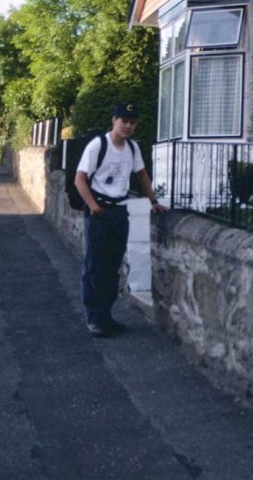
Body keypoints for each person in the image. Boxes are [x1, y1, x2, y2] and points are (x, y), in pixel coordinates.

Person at [74, 100, 166, 337]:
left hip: (119, 211)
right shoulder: (98, 145)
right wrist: (94, 206)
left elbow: (142, 175)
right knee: (95, 266)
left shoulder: (132, 149)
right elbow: (80, 179)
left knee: (112, 266)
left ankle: (106, 316)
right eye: (124, 121)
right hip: (99, 211)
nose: (128, 126)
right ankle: (94, 319)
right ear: (114, 121)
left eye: (132, 123)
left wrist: (153, 201)